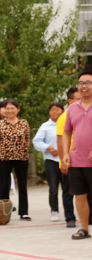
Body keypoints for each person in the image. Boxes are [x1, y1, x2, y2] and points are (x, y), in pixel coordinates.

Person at [63, 72, 92, 240]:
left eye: (88, 82)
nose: (84, 86)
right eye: (81, 83)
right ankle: (84, 229)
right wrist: (66, 153)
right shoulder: (72, 108)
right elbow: (67, 132)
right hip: (77, 160)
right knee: (79, 195)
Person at [0, 99, 31, 221]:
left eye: (12, 108)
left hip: (21, 157)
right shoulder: (0, 124)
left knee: (22, 184)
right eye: (7, 108)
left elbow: (27, 139)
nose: (10, 111)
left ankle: (24, 212)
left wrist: (19, 149)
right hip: (5, 157)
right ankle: (3, 211)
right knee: (4, 184)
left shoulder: (24, 123)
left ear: (18, 109)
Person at [32, 103, 66, 222]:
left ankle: (69, 212)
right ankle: (54, 211)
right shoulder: (45, 126)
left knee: (67, 187)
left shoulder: (68, 123)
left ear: (63, 111)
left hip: (66, 160)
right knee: (53, 187)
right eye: (51, 110)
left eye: (57, 110)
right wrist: (48, 147)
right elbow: (36, 141)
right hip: (51, 160)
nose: (54, 112)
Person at [57, 87, 85, 228]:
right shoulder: (64, 117)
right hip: (70, 160)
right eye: (78, 98)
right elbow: (61, 140)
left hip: (86, 160)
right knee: (69, 191)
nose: (82, 100)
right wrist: (63, 160)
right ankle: (70, 218)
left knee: (86, 192)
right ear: (70, 100)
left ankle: (88, 218)